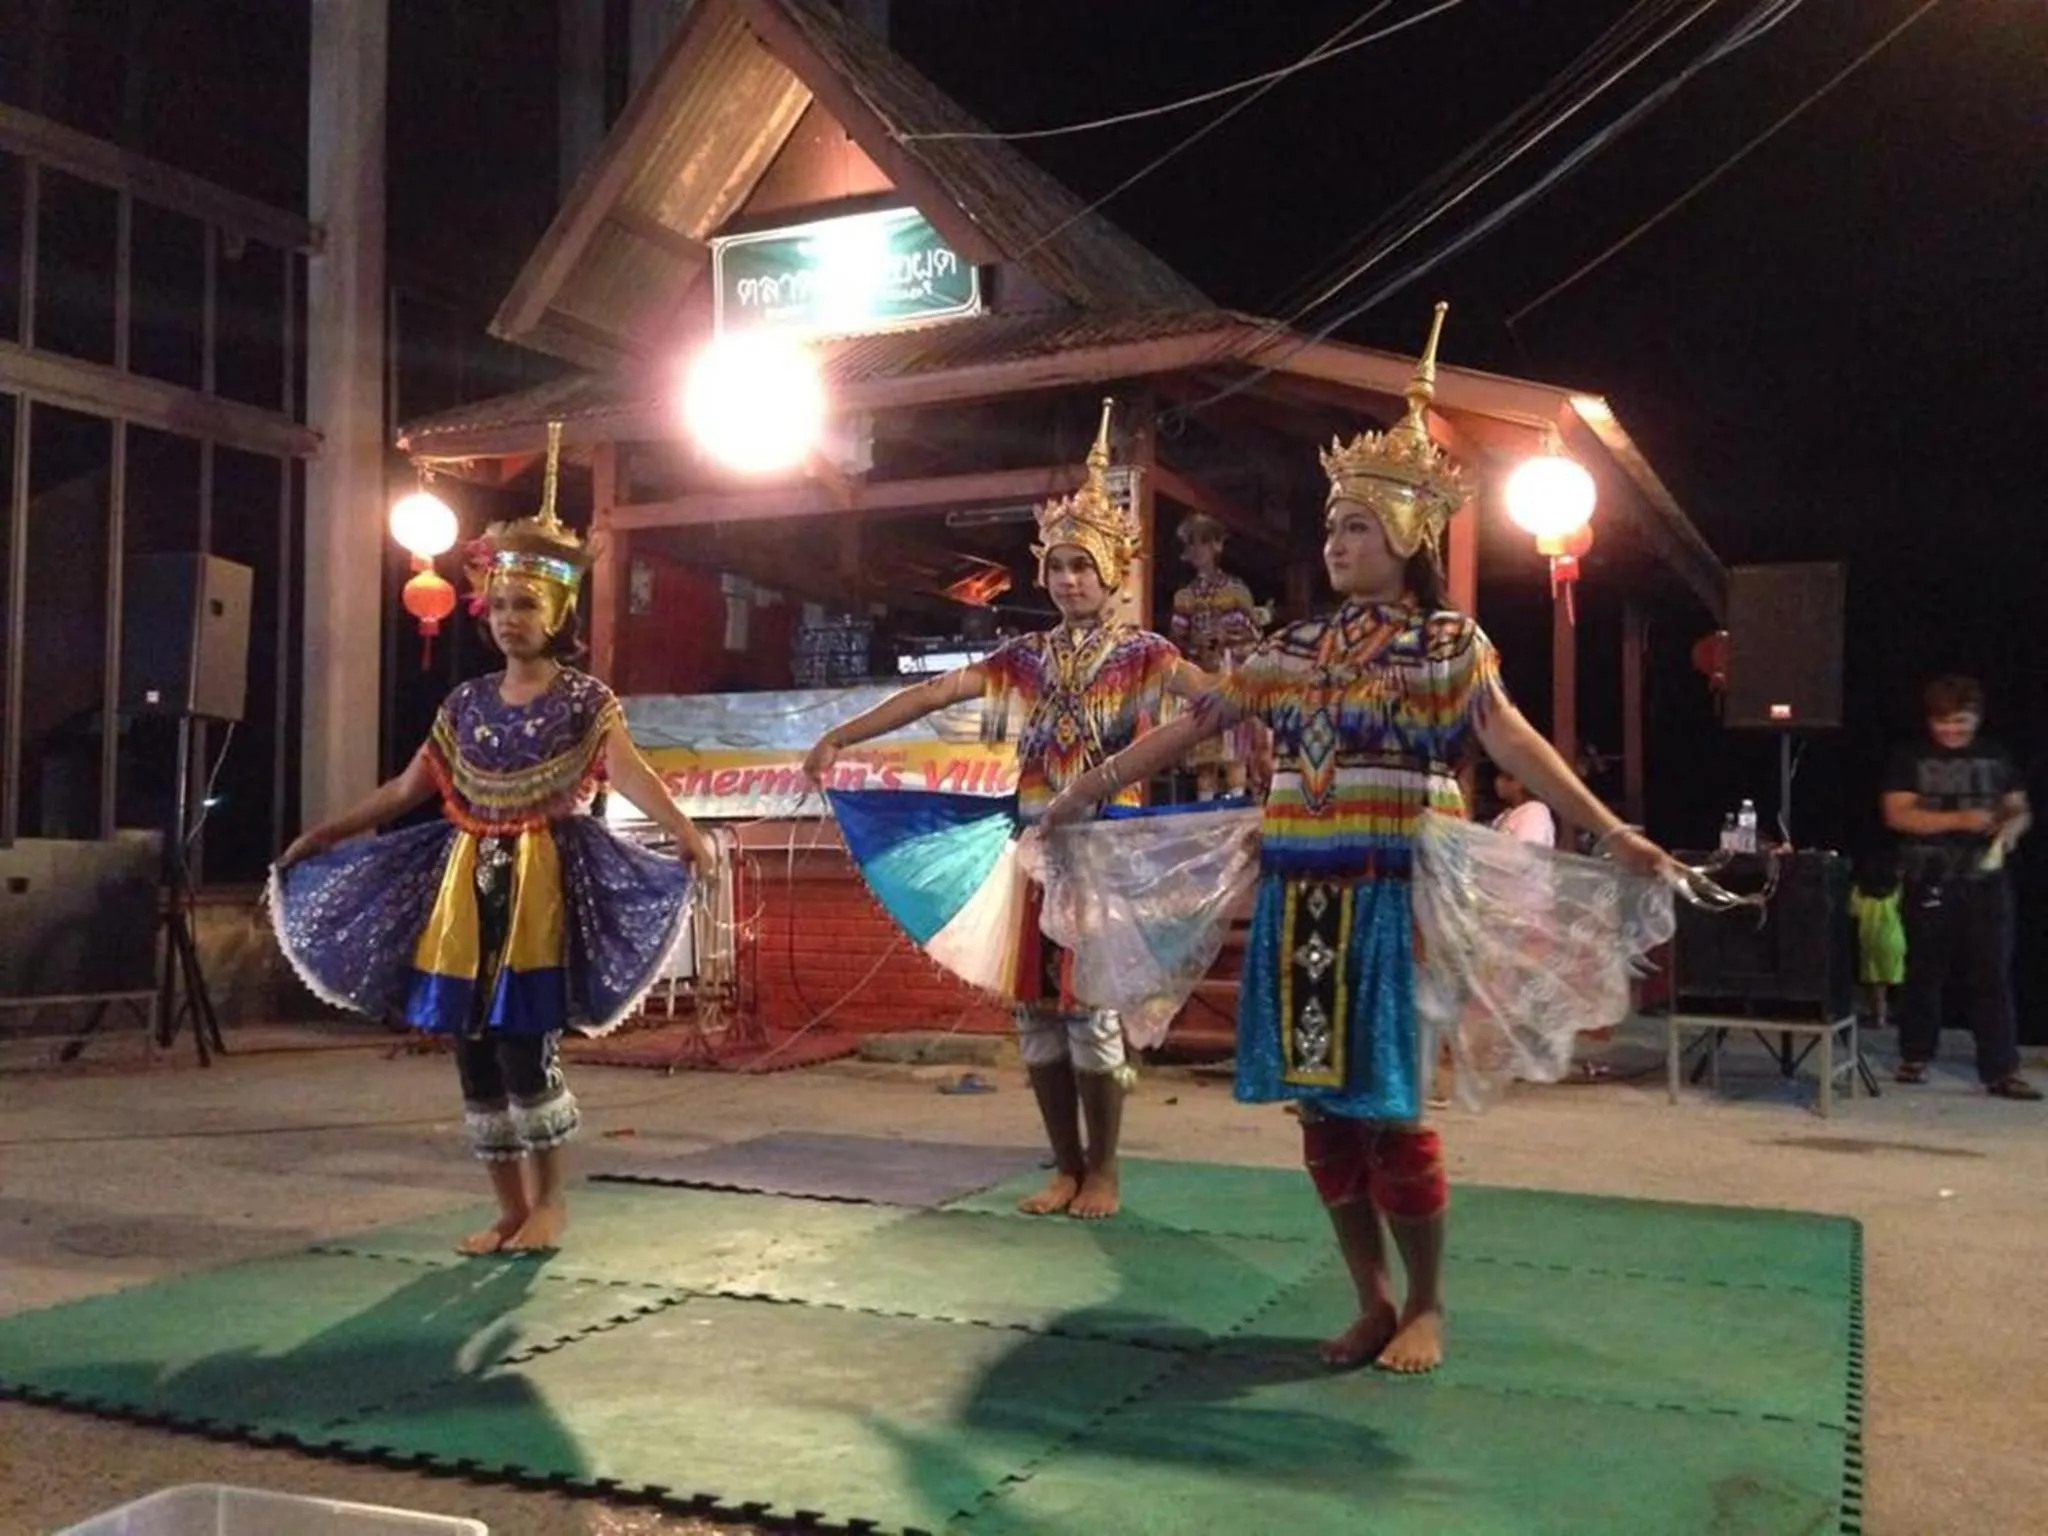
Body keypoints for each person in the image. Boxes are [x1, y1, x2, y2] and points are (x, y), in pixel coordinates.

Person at [1043, 306, 1673, 1372]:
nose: (1336, 545)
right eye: (1332, 528)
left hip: (1386, 902)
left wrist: (1607, 828)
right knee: (1316, 1118)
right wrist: (1086, 789)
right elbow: (1195, 725)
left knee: (1390, 1113)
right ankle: (1368, 1299)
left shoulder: (1442, 643)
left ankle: (1425, 1301)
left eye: (1358, 530)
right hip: (1299, 903)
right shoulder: (1291, 648)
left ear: (1410, 540)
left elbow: (1503, 735)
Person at [271, 426, 716, 1253]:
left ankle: (550, 1203)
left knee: (524, 1047)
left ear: (559, 613)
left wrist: (685, 832)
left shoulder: (588, 701)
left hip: (541, 889)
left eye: (528, 606)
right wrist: (320, 835)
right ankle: (509, 1207)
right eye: (502, 605)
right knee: (471, 1054)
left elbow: (631, 775)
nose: (512, 619)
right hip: (462, 893)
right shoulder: (465, 706)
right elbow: (407, 791)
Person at [803, 400, 1205, 1220]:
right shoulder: (1023, 658)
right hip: (1031, 845)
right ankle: (1062, 1166)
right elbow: (935, 692)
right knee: (1034, 1018)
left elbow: (1214, 701)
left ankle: (1106, 1173)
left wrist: (1273, 719)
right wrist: (841, 733)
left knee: (1090, 1016)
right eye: (1057, 568)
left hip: (1103, 850)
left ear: (1113, 574)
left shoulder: (1145, 655)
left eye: (1083, 568)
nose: (1068, 581)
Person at [1881, 675, 2037, 1099]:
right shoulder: (1910, 755)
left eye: (1961, 721)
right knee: (1925, 972)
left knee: (1993, 975)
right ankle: (1915, 1055)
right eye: (1944, 722)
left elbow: (2018, 808)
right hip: (1928, 876)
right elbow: (1897, 814)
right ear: (1931, 720)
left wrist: (2011, 830)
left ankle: (2001, 1069)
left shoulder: (1995, 754)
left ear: (1976, 718)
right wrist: (1960, 820)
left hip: (1987, 881)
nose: (1952, 730)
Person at [1168, 513, 1263, 800]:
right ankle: (1204, 814)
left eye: (1204, 542)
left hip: (1230, 671)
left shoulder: (1235, 590)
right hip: (1199, 674)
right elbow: (1176, 641)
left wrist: (1227, 637)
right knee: (1204, 756)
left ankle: (1235, 808)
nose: (1198, 550)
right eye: (1192, 543)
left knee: (1234, 752)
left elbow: (1254, 635)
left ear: (1217, 546)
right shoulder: (1184, 596)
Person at [1491, 766, 1556, 847]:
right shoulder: (1505, 814)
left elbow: (1527, 852)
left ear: (1519, 783)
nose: (1498, 782)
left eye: (1504, 778)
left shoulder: (1534, 812)